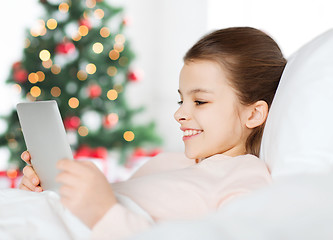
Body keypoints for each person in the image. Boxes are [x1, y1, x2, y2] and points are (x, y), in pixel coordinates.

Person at [19, 27, 287, 240]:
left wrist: (104, 214)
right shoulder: (163, 162)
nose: (179, 114)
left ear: (253, 114)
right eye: (181, 100)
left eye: (200, 101)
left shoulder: (244, 175)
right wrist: (49, 192)